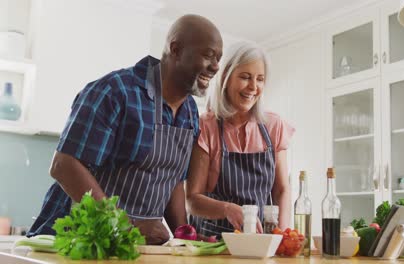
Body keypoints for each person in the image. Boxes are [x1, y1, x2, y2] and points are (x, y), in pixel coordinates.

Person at [27, 14, 223, 245]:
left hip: (132, 247)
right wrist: (125, 225)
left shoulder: (189, 111)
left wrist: (183, 236)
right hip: (75, 241)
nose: (216, 66)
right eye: (208, 55)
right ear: (176, 49)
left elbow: (173, 180)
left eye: (219, 59)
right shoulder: (115, 91)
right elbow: (64, 165)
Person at [186, 42, 294, 238]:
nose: (253, 87)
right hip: (214, 243)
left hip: (259, 242)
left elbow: (281, 189)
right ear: (226, 77)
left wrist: (283, 234)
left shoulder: (273, 126)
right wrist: (227, 208)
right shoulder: (206, 127)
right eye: (245, 77)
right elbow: (192, 200)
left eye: (260, 79)